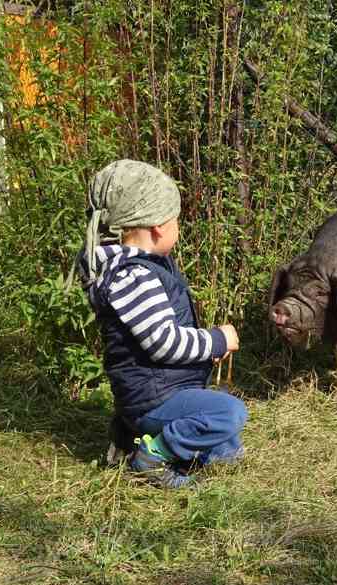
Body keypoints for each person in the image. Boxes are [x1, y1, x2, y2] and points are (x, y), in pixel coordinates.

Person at [78, 159, 247, 488]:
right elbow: (163, 342)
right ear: (157, 228)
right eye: (176, 222)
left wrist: (200, 352)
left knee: (228, 448)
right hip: (155, 397)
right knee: (228, 414)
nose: (178, 229)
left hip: (161, 388)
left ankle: (129, 439)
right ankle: (152, 458)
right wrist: (215, 341)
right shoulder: (133, 275)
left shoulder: (128, 265)